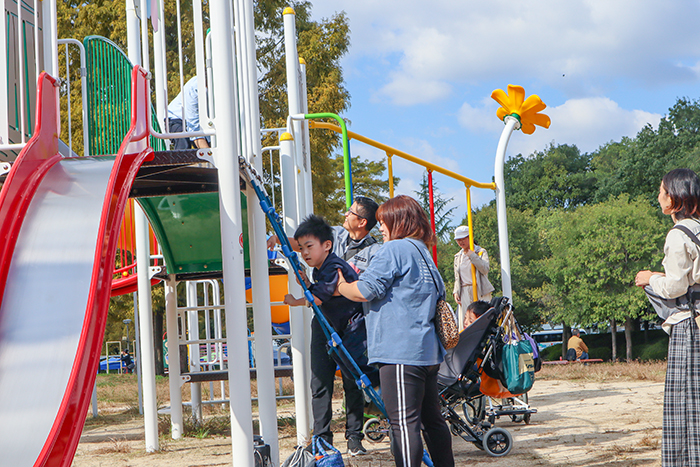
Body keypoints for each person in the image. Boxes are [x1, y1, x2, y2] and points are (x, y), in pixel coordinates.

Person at [336, 195, 454, 467]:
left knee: (403, 423)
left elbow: (365, 290)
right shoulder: (423, 252)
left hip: (401, 352)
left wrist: (340, 286)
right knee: (432, 421)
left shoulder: (394, 249)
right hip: (427, 354)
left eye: (384, 222)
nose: (380, 229)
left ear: (398, 222)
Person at [281, 214, 367, 456]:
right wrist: (306, 281)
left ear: (326, 245)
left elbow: (316, 299)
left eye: (309, 247)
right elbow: (318, 295)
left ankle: (354, 438)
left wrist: (294, 300)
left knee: (352, 384)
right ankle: (322, 439)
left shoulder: (334, 266)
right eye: (301, 249)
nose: (304, 253)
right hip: (324, 326)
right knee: (319, 384)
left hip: (348, 330)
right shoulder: (321, 269)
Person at [635, 168, 700, 467]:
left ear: (674, 197)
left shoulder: (678, 234)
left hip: (689, 325)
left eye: (662, 191)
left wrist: (649, 279)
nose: (658, 196)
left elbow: (676, 286)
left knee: (685, 405)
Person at [267, 196, 381, 274]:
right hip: (323, 302)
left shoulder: (374, 253)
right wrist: (277, 239)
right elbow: (303, 244)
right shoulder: (336, 233)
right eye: (348, 210)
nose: (346, 214)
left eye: (351, 212)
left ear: (362, 222)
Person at [452, 225, 494, 330]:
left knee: (480, 317)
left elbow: (484, 269)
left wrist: (472, 255)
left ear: (469, 237)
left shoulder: (480, 252)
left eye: (463, 239)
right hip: (464, 290)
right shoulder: (458, 256)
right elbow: (457, 277)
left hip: (479, 289)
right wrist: (456, 291)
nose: (461, 242)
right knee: (466, 320)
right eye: (458, 240)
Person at [167, 76, 210, 149]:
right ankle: (181, 160)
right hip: (176, 118)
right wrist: (210, 156)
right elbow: (194, 127)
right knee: (183, 142)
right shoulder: (196, 88)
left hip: (200, 121)